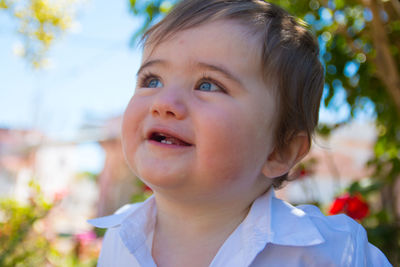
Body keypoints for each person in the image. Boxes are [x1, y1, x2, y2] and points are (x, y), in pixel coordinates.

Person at [88, 0, 392, 266]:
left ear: (280, 151)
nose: (164, 102)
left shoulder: (333, 254)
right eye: (152, 80)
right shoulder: (119, 239)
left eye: (208, 84)